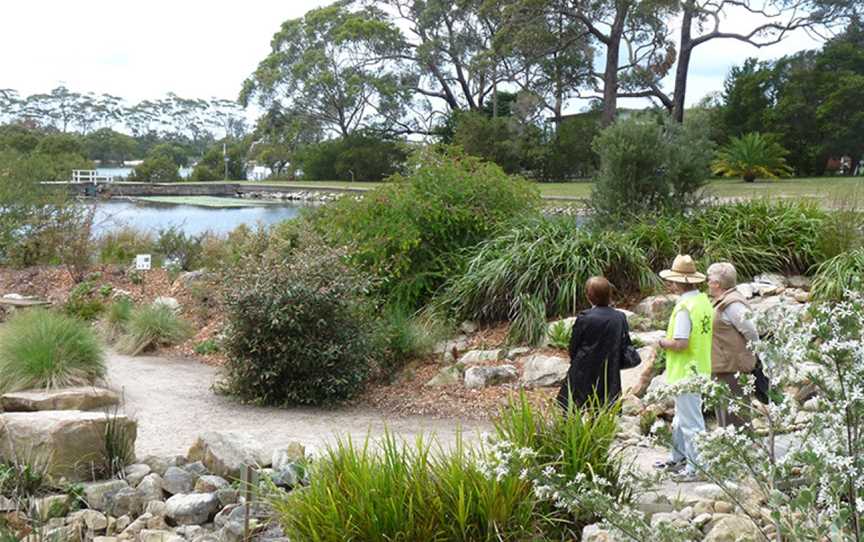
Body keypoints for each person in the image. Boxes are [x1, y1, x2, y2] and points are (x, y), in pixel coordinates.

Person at [654, 255, 714, 480]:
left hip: (685, 371)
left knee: (691, 422)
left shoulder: (684, 308)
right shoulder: (703, 302)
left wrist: (661, 342)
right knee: (682, 418)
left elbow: (680, 343)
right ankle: (677, 457)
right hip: (699, 367)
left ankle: (696, 468)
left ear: (677, 282)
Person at [557, 276, 636, 410]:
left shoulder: (585, 318)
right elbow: (624, 343)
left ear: (589, 296)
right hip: (609, 369)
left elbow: (574, 345)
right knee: (602, 407)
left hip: (584, 368)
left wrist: (574, 360)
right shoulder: (620, 317)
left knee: (572, 406)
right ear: (610, 295)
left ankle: (571, 430)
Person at [706, 262, 758, 427]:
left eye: (709, 280)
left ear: (717, 284)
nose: (707, 283)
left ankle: (743, 451)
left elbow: (751, 331)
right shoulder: (724, 301)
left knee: (736, 416)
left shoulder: (733, 304)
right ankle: (731, 449)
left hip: (733, 369)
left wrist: (756, 357)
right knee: (725, 412)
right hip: (724, 366)